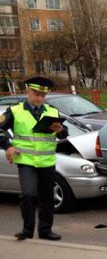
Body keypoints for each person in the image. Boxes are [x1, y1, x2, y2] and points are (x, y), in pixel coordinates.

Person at [0, 77, 68, 240]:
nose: (39, 98)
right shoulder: (15, 111)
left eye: (43, 95)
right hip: (26, 161)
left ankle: (45, 231)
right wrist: (8, 146)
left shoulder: (51, 111)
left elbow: (64, 133)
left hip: (47, 162)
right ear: (27, 91)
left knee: (47, 197)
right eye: (36, 94)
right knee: (29, 194)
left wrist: (60, 130)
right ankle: (27, 230)